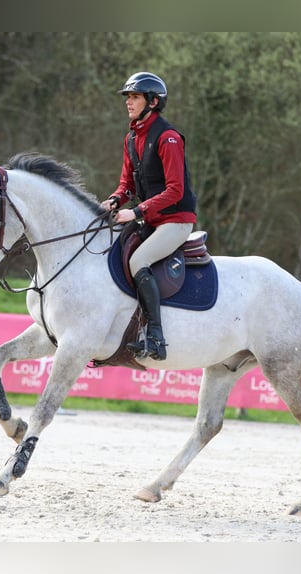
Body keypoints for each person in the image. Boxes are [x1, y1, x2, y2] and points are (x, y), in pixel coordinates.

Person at [101, 72, 197, 361]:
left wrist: (137, 211)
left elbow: (175, 190)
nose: (128, 102)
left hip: (176, 220)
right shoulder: (131, 137)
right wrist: (115, 200)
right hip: (151, 219)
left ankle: (155, 335)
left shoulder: (168, 138)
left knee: (138, 260)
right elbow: (127, 184)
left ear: (153, 101)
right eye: (128, 97)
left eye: (135, 97)